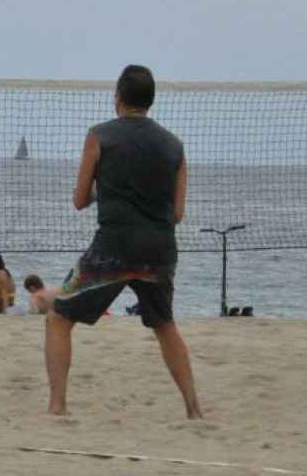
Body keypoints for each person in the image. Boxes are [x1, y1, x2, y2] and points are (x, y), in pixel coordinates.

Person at [45, 64, 202, 420]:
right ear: (150, 100)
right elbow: (177, 213)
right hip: (159, 250)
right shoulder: (174, 145)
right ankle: (194, 410)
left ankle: (57, 407)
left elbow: (80, 199)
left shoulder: (100, 136)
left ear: (118, 96)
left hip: (113, 249)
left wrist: (108, 188)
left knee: (57, 317)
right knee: (165, 326)